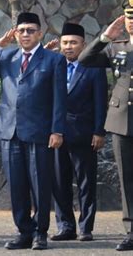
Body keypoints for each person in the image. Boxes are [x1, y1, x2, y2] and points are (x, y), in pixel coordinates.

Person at [0, 12, 67, 250]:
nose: (25, 34)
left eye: (30, 30)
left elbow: (59, 99)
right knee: (16, 186)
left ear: (40, 33)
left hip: (39, 132)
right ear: (15, 33)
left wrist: (57, 130)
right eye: (21, 30)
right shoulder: (7, 56)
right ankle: (23, 232)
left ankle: (40, 233)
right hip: (9, 131)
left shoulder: (53, 60)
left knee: (39, 184)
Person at [78, 0, 133, 251]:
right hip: (122, 122)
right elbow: (84, 59)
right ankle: (131, 231)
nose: (132, 23)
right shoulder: (116, 46)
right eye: (129, 18)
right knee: (127, 180)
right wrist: (105, 37)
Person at [48, 23, 107, 242]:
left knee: (86, 184)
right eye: (65, 43)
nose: (68, 47)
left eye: (73, 43)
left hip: (83, 134)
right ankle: (65, 227)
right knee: (59, 183)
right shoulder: (53, 64)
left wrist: (99, 131)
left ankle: (85, 228)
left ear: (83, 44)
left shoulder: (94, 68)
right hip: (56, 135)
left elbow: (101, 102)